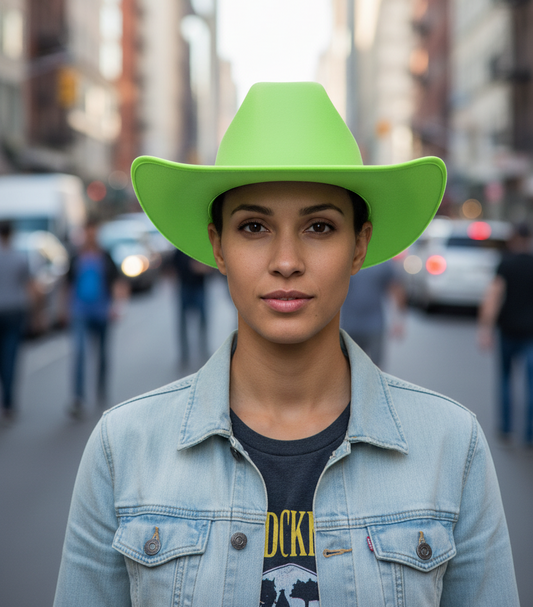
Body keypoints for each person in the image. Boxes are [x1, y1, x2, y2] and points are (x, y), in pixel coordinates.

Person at [54, 82, 519, 606]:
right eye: (254, 226)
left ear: (359, 245)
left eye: (319, 226)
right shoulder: (124, 448)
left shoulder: (452, 446)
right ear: (217, 245)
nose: (286, 260)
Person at [479, 222, 533, 444]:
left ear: (513, 239)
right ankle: (529, 433)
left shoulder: (506, 264)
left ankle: (506, 428)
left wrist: (485, 328)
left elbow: (493, 296)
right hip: (531, 334)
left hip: (508, 330)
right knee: (531, 384)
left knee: (504, 379)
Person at [66, 219, 121, 418]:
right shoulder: (75, 256)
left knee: (102, 355)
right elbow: (68, 284)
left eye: (93, 232)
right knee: (79, 352)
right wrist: (65, 309)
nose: (90, 235)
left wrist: (116, 306)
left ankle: (101, 390)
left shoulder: (105, 256)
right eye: (87, 232)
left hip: (102, 311)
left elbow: (116, 281)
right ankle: (78, 397)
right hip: (80, 311)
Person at [340, 259, 406, 367]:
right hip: (349, 326)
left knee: (376, 367)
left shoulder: (382, 262)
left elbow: (396, 289)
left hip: (374, 326)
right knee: (349, 367)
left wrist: (399, 320)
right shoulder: (347, 260)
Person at [0, 220, 31, 422]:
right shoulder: (20, 257)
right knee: (10, 358)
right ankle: (8, 404)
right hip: (14, 312)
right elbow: (29, 286)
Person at [172, 248, 212, 365]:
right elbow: (172, 268)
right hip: (184, 287)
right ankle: (184, 354)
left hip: (198, 287)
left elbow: (209, 268)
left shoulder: (199, 249)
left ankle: (203, 350)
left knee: (203, 322)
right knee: (183, 324)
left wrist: (201, 268)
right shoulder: (179, 250)